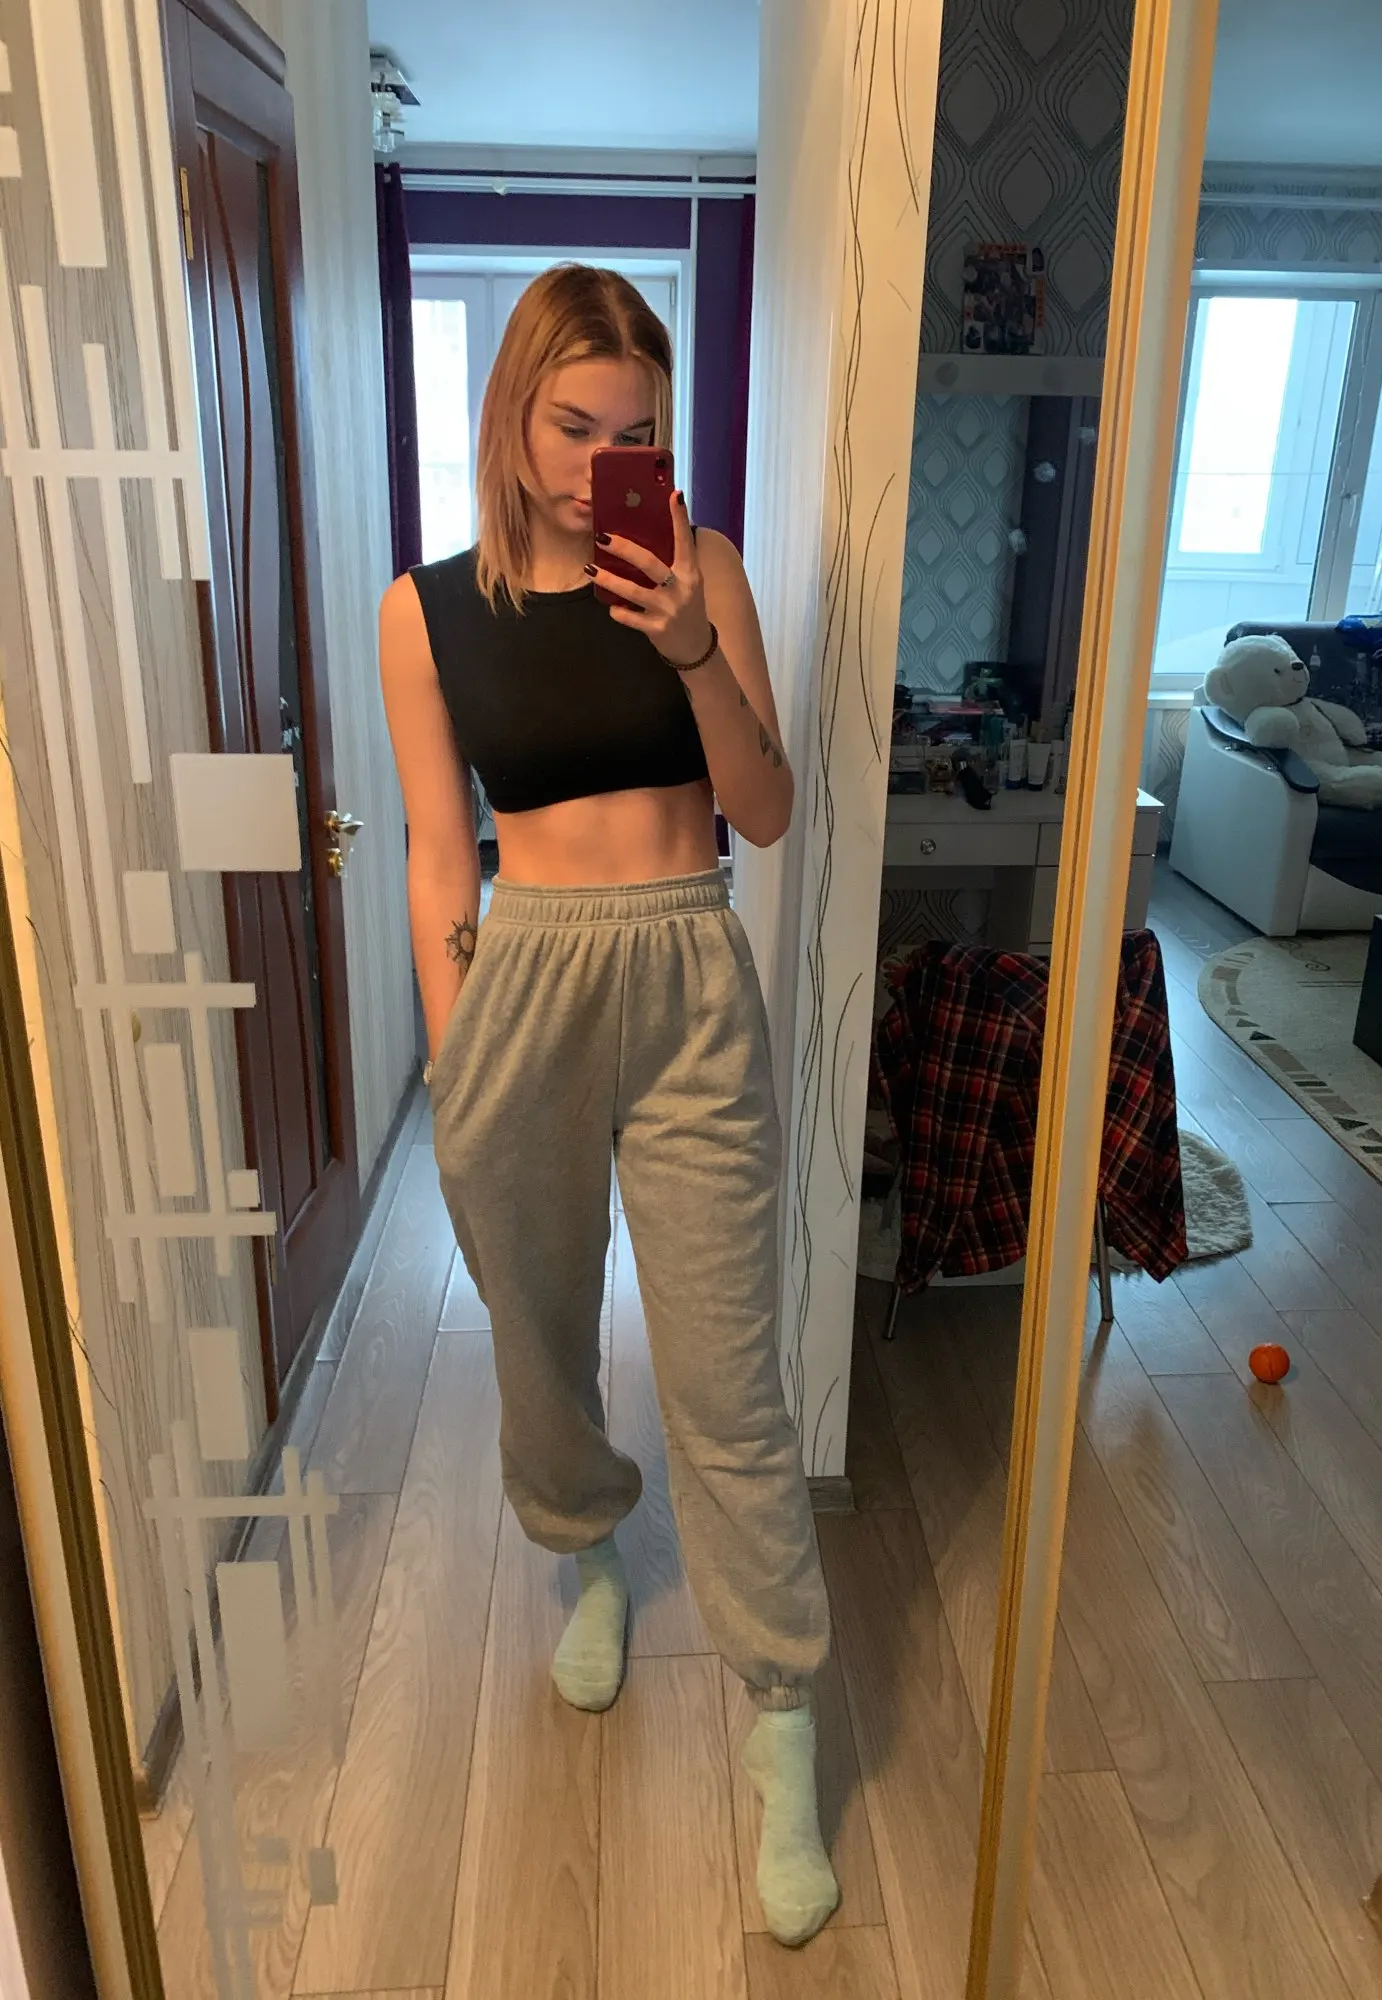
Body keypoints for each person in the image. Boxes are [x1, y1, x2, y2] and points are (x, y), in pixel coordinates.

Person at [378, 264, 839, 1948]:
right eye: (573, 427)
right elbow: (441, 851)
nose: (599, 465)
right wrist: (455, 1056)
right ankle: (587, 1550)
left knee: (729, 1374)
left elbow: (766, 812)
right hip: (524, 983)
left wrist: (698, 650)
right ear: (512, 416)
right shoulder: (424, 612)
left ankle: (780, 1710)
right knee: (539, 1329)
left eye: (635, 432)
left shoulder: (703, 568)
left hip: (689, 967)